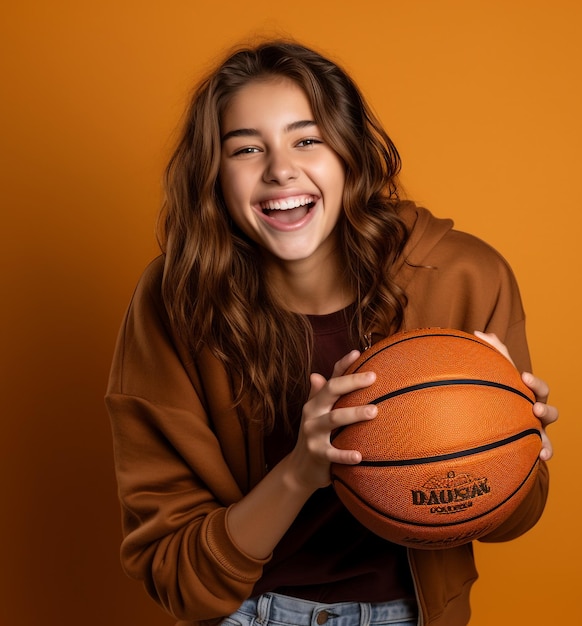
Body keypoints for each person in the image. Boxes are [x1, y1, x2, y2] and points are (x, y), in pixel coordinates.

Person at [105, 40, 557, 626]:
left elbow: (519, 516)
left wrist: (510, 450)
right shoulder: (175, 302)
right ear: (213, 174)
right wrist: (300, 469)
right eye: (246, 148)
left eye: (307, 139)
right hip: (248, 613)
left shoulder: (465, 278)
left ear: (349, 154)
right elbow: (178, 577)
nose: (280, 169)